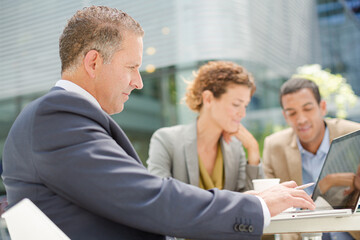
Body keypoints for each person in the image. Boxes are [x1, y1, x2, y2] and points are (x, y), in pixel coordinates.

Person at [2, 6, 315, 240]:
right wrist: (253, 208)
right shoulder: (56, 119)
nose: (138, 82)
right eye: (132, 67)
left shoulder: (64, 118)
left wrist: (245, 200)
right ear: (94, 62)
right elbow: (147, 195)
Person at [263, 77, 360, 240]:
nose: (301, 120)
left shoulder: (353, 134)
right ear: (285, 116)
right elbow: (270, 204)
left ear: (322, 107)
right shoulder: (274, 146)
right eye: (292, 113)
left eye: (308, 109)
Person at [147, 61, 263, 193]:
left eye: (245, 105)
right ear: (208, 99)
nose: (243, 114)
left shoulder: (235, 148)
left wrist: (253, 149)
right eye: (236, 104)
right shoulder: (166, 140)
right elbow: (159, 195)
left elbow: (253, 203)